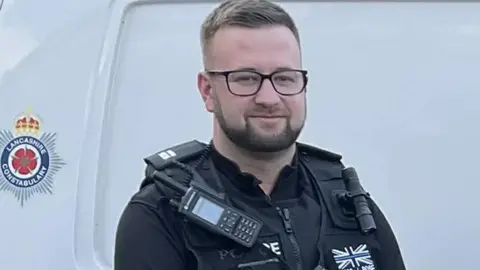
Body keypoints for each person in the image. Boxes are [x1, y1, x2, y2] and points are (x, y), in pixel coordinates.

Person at [114, 0, 407, 269]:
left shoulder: (346, 202)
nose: (269, 97)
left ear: (303, 85)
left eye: (284, 78)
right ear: (208, 91)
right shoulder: (161, 213)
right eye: (245, 78)